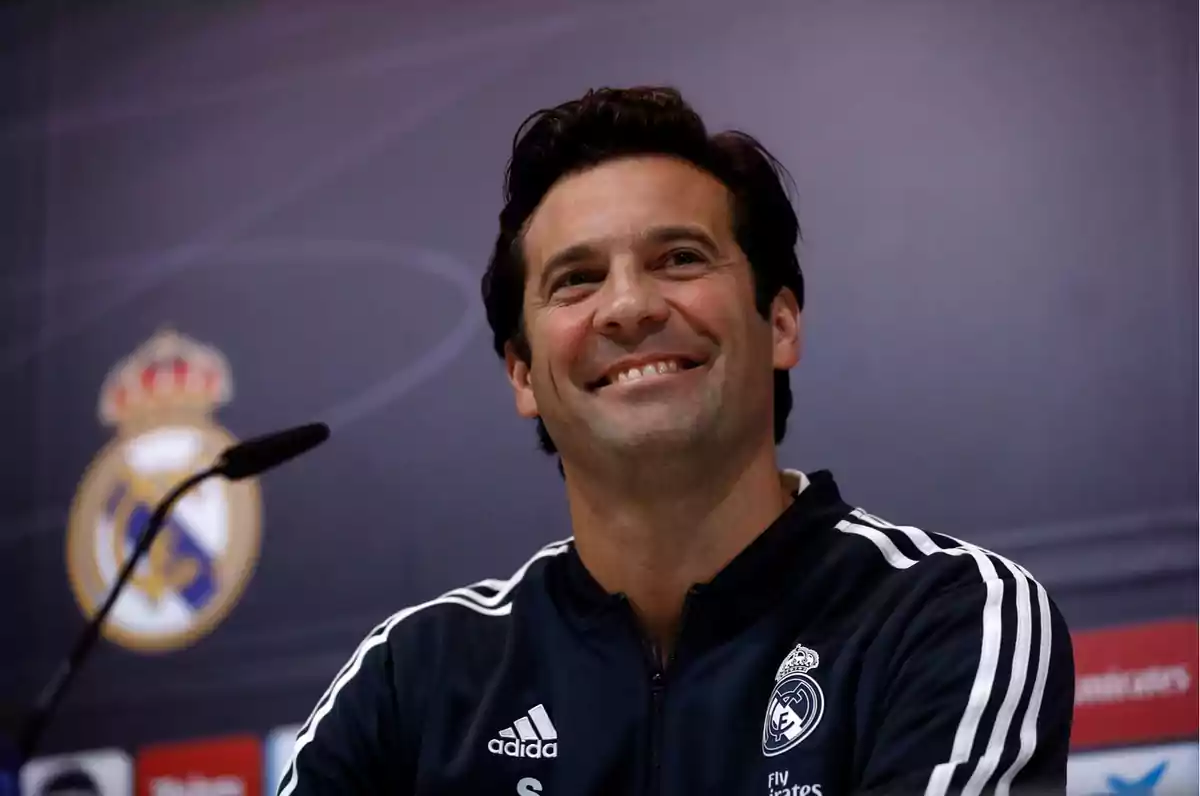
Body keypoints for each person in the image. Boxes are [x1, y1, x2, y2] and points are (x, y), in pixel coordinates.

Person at [279, 86, 1075, 795]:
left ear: (782, 323)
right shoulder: (412, 679)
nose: (628, 307)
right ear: (522, 375)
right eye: (576, 280)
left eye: (679, 258)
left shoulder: (944, 619)